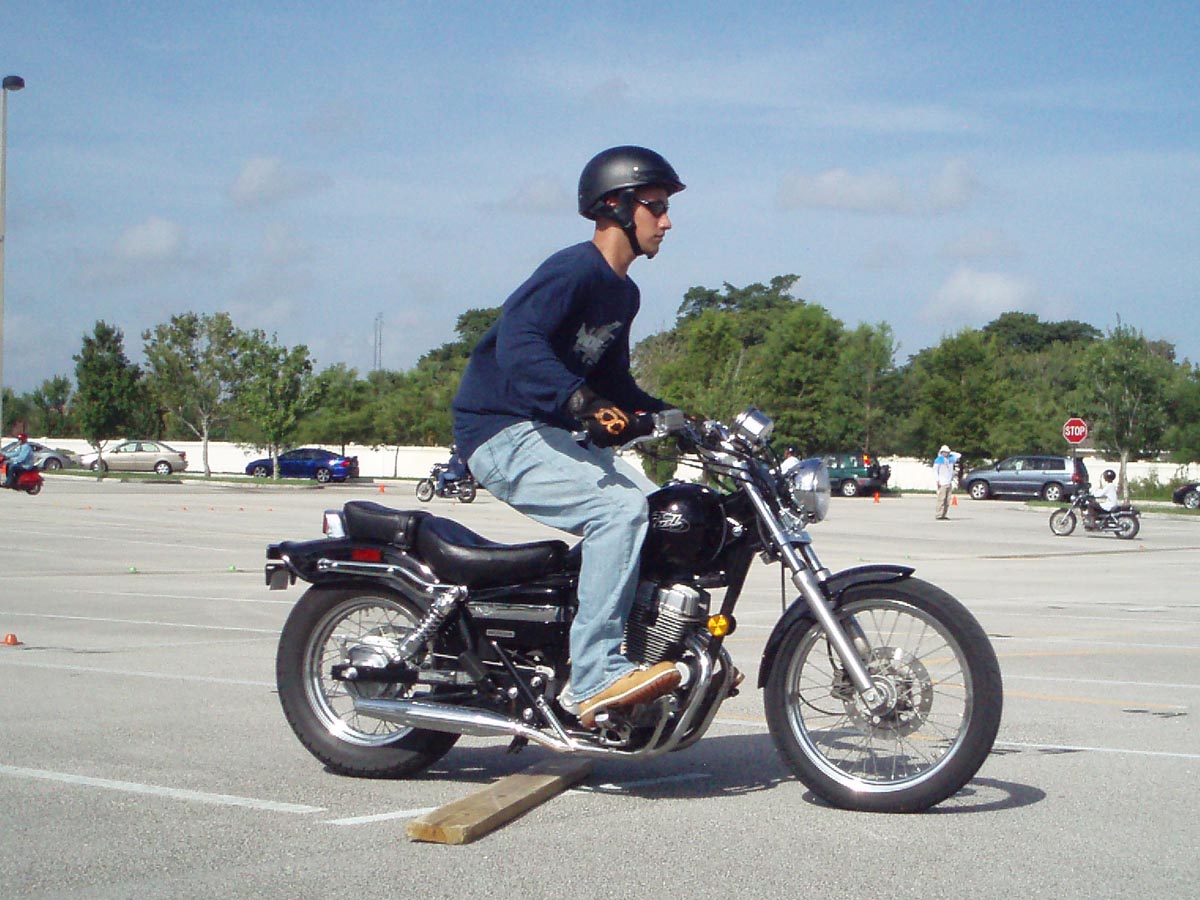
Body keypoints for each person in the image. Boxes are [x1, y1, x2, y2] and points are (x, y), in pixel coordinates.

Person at [452, 145, 685, 728]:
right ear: (617, 207)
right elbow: (519, 342)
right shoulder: (573, 269)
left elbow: (614, 382)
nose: (667, 222)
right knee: (619, 511)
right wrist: (581, 403)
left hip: (548, 431)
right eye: (656, 207)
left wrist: (680, 419)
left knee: (662, 515)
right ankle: (593, 677)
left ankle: (635, 656)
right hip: (501, 428)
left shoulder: (624, 293)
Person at [933, 444, 960, 519]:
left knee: (947, 500)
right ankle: (939, 514)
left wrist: (951, 453)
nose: (946, 453)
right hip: (942, 482)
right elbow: (935, 471)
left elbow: (958, 455)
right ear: (941, 452)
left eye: (947, 452)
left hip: (949, 482)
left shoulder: (951, 459)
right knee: (941, 499)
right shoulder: (938, 460)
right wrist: (937, 480)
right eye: (944, 452)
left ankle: (944, 514)